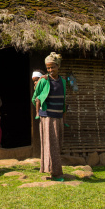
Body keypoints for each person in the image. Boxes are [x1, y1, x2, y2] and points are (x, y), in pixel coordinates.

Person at [32, 52, 66, 181]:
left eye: (53, 67)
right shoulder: (44, 81)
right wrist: (40, 109)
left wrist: (64, 116)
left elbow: (64, 99)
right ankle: (56, 173)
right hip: (47, 117)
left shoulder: (62, 81)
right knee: (51, 145)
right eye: (48, 68)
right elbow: (34, 98)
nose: (50, 70)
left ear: (58, 66)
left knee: (57, 145)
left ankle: (52, 170)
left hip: (58, 117)